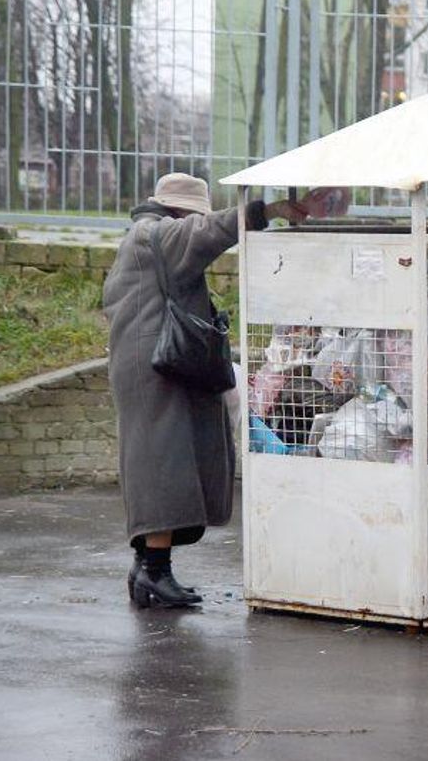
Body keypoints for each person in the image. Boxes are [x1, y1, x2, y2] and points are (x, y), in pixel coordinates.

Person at [103, 172, 320, 608]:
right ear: (182, 211)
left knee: (162, 465)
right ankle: (154, 574)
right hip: (155, 373)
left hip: (150, 367)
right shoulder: (158, 235)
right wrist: (270, 210)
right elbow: (210, 231)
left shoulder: (142, 238)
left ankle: (147, 569)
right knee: (162, 469)